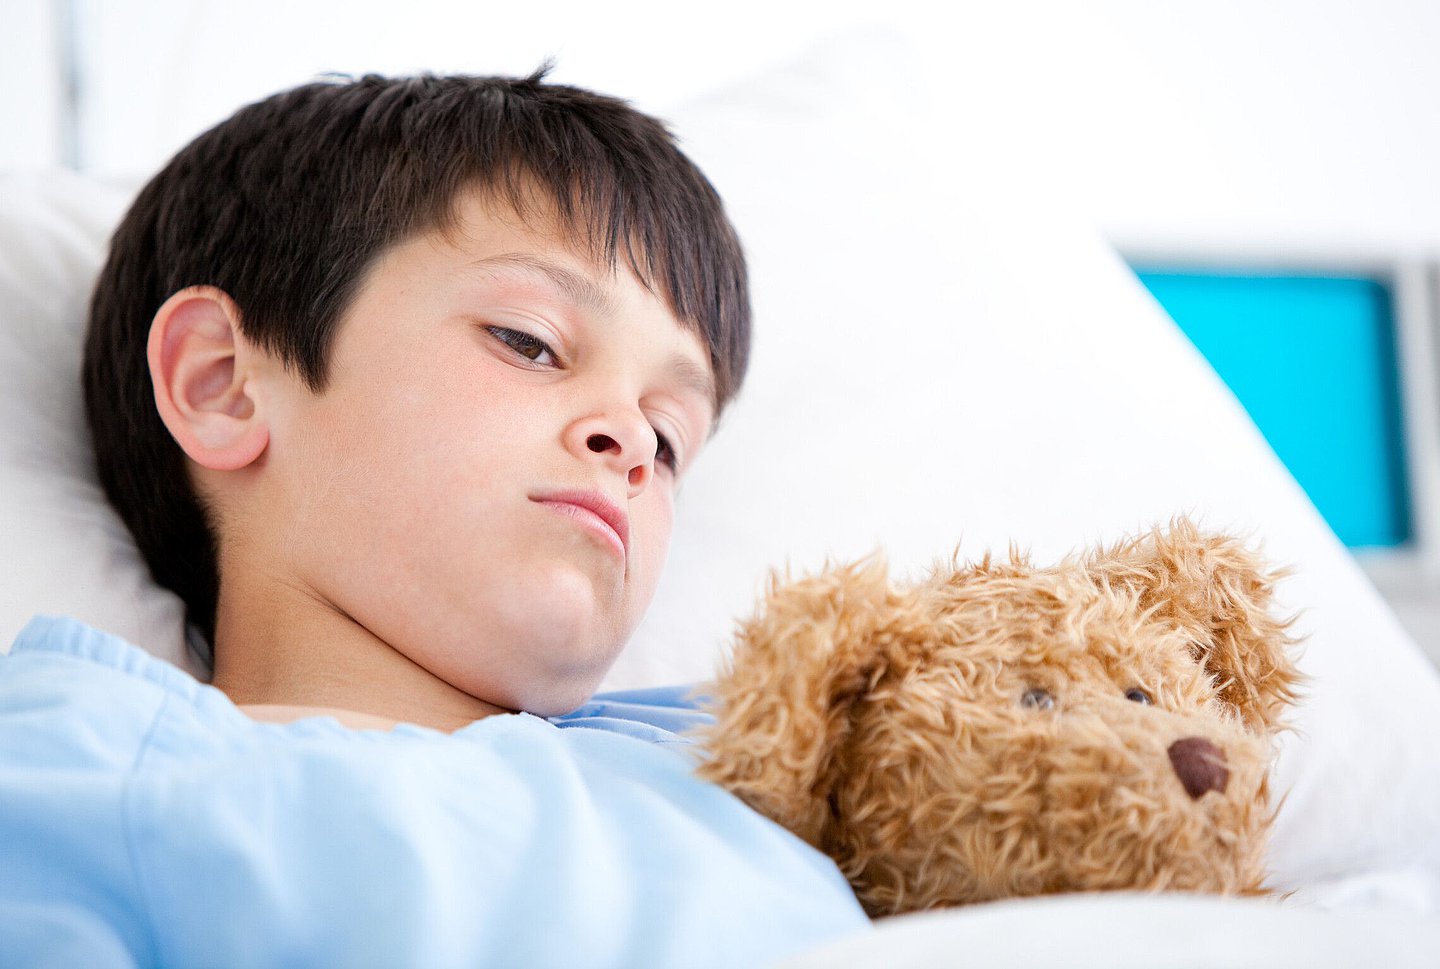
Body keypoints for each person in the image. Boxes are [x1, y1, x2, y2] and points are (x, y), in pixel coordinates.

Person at [0, 71, 870, 967]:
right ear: (221, 382)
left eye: (670, 433)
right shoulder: (87, 769)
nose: (633, 443)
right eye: (529, 342)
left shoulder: (754, 745)